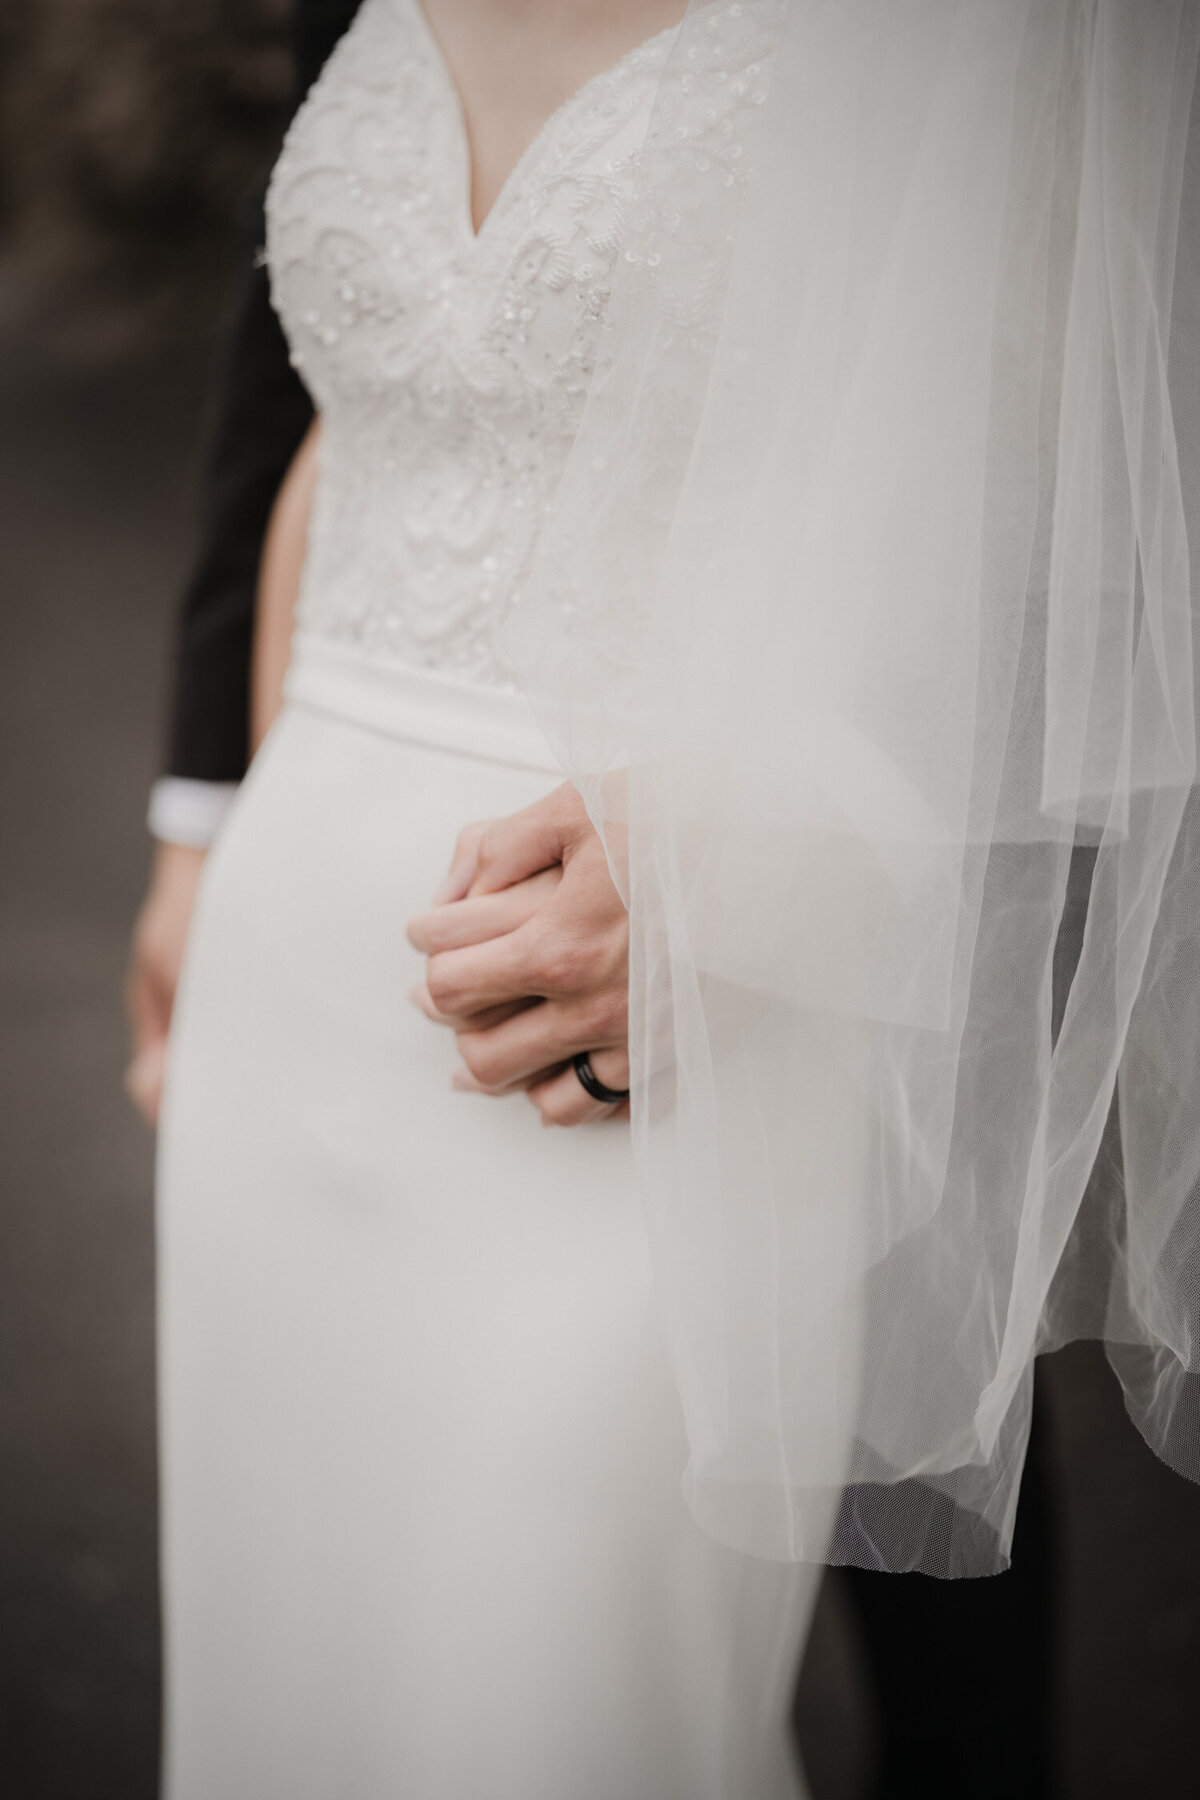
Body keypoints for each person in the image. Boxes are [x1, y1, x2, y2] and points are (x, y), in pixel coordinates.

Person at [128, 2, 1200, 1797]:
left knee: (557, 1709)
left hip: (683, 993)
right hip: (293, 960)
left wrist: (774, 854)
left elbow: (1106, 500)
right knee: (280, 1688)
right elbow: (347, 394)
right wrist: (212, 842)